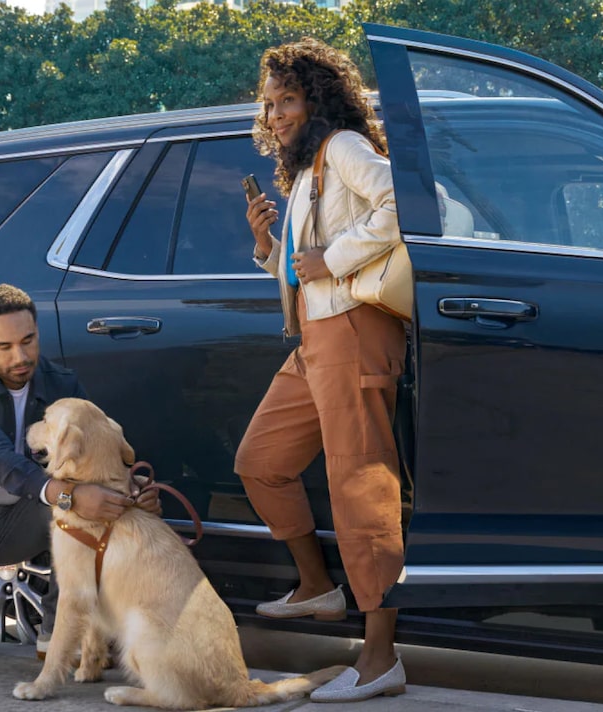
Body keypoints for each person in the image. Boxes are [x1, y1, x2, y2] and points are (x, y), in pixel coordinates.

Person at [235, 38, 409, 702]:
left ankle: (380, 658)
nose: (275, 114)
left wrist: (333, 257)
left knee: (361, 491)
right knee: (262, 460)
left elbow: (402, 206)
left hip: (355, 331)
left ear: (318, 100)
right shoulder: (308, 170)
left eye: (287, 100)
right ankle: (317, 587)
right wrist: (267, 247)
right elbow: (301, 266)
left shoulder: (342, 148)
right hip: (315, 337)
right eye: (270, 104)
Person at [0, 283, 159, 662]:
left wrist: (128, 491)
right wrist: (70, 496)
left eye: (28, 341)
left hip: (30, 517)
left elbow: (92, 454)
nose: (21, 356)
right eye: (4, 347)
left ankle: (57, 627)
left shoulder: (62, 384)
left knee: (99, 520)